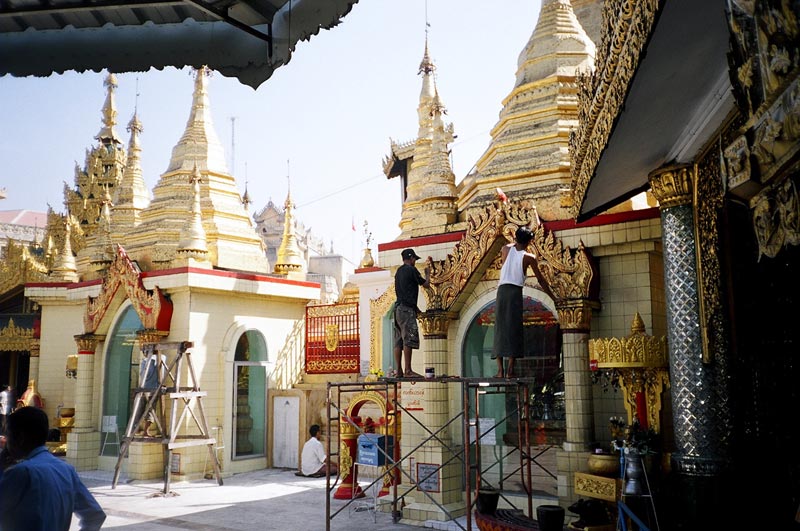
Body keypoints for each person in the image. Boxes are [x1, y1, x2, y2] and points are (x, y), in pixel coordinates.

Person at [0, 406, 106, 530]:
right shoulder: (66, 470)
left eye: (8, 436)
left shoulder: (21, 472)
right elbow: (95, 515)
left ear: (20, 438)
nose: (7, 443)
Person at [492, 226, 538, 378]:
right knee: (513, 328)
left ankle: (500, 370)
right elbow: (541, 279)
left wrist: (520, 238)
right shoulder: (529, 257)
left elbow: (514, 244)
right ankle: (510, 369)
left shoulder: (506, 249)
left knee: (500, 328)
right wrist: (552, 295)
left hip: (502, 291)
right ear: (529, 242)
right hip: (514, 292)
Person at [393, 248, 430, 378]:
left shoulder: (398, 271)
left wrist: (417, 309)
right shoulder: (411, 270)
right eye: (414, 259)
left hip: (397, 310)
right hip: (406, 310)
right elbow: (425, 285)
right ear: (412, 258)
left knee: (399, 340)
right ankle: (408, 370)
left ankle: (399, 371)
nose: (415, 261)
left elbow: (405, 293)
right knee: (408, 339)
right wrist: (428, 274)